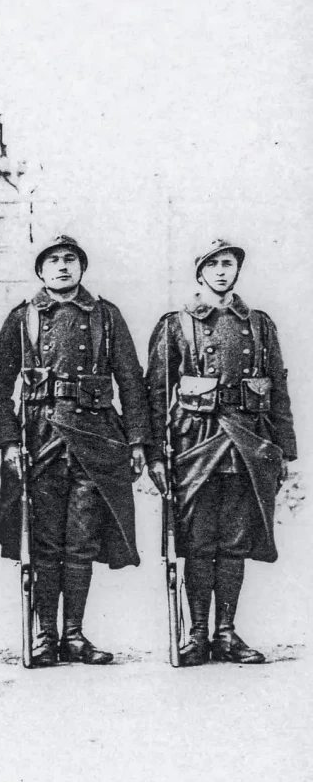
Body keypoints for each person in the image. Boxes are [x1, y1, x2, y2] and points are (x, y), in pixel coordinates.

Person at [0, 234, 156, 666]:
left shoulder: (106, 316)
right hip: (40, 440)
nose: (62, 267)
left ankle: (75, 635)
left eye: (70, 260)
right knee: (43, 542)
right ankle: (45, 634)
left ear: (82, 267)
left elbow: (132, 381)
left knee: (81, 541)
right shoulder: (21, 317)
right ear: (40, 271)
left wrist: (137, 440)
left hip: (96, 441)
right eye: (53, 261)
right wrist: (7, 442)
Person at [146, 239, 297, 665]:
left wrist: (283, 449)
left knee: (234, 540)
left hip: (247, 443)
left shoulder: (260, 325)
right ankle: (196, 634)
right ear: (199, 273)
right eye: (212, 264)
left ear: (237, 270)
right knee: (197, 540)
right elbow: (156, 392)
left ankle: (226, 632)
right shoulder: (176, 324)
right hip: (195, 443)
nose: (220, 271)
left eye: (228, 264)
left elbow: (279, 390)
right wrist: (156, 454)